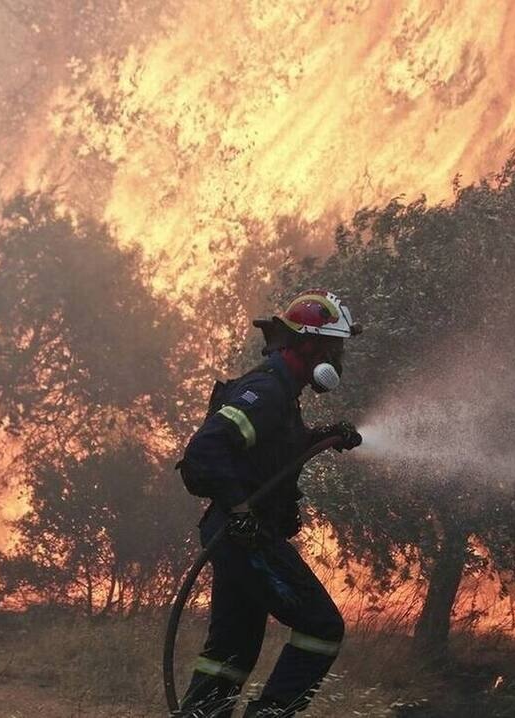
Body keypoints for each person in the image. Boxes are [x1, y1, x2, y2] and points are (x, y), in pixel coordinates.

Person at [174, 290, 364, 717]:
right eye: (335, 347)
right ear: (311, 344)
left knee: (230, 653)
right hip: (243, 535)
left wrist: (324, 437)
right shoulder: (267, 390)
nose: (338, 359)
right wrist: (240, 512)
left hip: (237, 534)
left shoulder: (284, 393)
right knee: (322, 626)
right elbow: (207, 448)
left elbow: (268, 454)